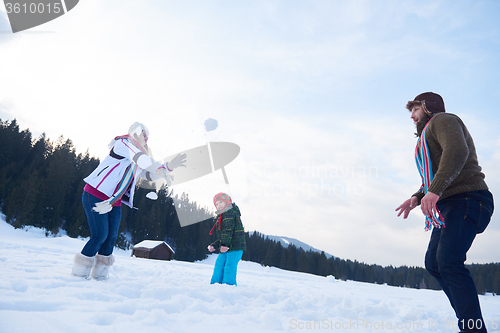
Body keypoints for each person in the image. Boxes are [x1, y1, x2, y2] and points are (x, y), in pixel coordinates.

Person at [395, 92, 494, 333]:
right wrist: (418, 196)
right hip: (451, 203)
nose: (411, 115)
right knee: (435, 263)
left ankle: (472, 330)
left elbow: (456, 152)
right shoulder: (427, 135)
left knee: (448, 261)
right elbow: (435, 173)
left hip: (469, 198)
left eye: (415, 108)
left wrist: (435, 191)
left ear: (428, 107)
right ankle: (471, 325)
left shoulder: (443, 120)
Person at [71, 122, 186, 280]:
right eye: (144, 134)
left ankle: (100, 274)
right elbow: (142, 160)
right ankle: (79, 272)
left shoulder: (137, 156)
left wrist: (169, 167)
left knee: (111, 237)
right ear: (135, 132)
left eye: (148, 137)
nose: (146, 139)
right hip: (96, 194)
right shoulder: (123, 144)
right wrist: (160, 166)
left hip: (114, 200)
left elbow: (147, 175)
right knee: (100, 235)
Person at [207, 192, 246, 286]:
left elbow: (228, 230)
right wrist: (215, 245)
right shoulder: (223, 215)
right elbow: (223, 235)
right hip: (227, 246)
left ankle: (229, 287)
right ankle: (215, 285)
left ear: (227, 202)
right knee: (219, 266)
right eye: (216, 204)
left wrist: (224, 245)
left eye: (220, 202)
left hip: (235, 248)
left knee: (229, 267)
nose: (218, 205)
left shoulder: (230, 213)